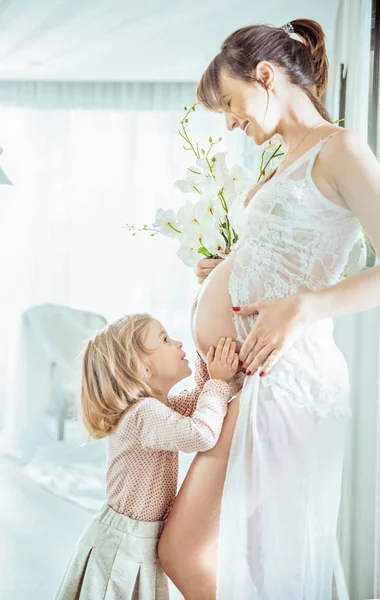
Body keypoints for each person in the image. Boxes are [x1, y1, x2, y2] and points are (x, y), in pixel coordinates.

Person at [158, 18, 380, 600]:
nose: (231, 122)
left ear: (265, 75)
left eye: (231, 103)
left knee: (185, 551)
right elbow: (293, 248)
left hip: (283, 380)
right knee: (247, 559)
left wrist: (305, 307)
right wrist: (230, 266)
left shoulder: (341, 148)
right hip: (249, 378)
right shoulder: (287, 155)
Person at [55, 313, 242, 600]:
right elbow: (200, 433)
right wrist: (217, 383)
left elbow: (198, 403)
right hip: (124, 542)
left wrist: (209, 367)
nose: (177, 343)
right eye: (165, 339)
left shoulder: (156, 408)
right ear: (140, 367)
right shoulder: (143, 414)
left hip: (138, 536)